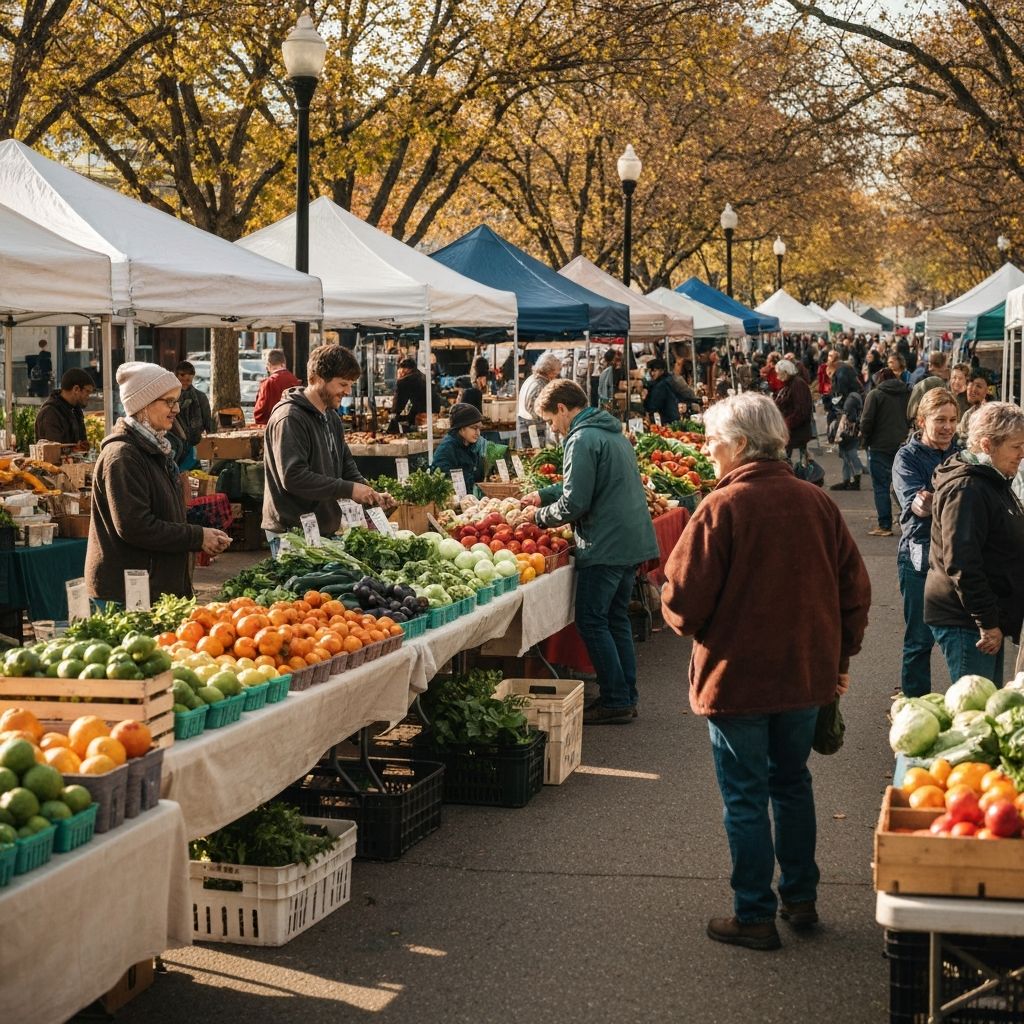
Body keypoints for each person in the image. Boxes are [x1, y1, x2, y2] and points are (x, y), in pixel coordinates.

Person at [661, 393, 869, 950]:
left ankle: (754, 914)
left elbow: (683, 606)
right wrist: (840, 659)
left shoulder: (721, 508)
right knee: (792, 783)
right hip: (804, 675)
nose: (707, 450)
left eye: (712, 440)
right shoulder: (816, 502)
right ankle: (800, 898)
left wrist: (669, 603)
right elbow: (856, 591)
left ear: (740, 445)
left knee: (747, 796)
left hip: (738, 681)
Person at [521, 380, 657, 723]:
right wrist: (543, 494)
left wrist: (538, 517)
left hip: (605, 543)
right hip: (631, 540)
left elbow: (576, 501)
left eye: (551, 419)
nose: (552, 427)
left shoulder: (580, 439)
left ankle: (615, 699)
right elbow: (584, 483)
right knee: (615, 618)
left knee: (592, 620)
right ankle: (625, 694)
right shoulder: (611, 433)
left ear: (563, 409)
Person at [86, 363, 230, 604]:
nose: (176, 409)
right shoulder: (123, 456)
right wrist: (196, 537)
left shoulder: (155, 448)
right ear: (144, 405)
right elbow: (135, 526)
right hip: (130, 594)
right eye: (169, 402)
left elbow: (163, 513)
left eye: (176, 402)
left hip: (154, 586)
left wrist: (202, 531)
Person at [925, 402, 1024, 685]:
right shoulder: (968, 488)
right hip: (967, 622)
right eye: (1016, 446)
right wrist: (986, 621)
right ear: (987, 444)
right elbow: (962, 562)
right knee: (973, 712)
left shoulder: (991, 479)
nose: (1022, 454)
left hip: (982, 618)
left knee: (986, 703)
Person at [263, 344, 392, 541]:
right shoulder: (290, 418)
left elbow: (346, 465)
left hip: (323, 529)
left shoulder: (331, 417)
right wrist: (349, 489)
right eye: (342, 384)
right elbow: (293, 476)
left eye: (350, 384)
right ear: (316, 379)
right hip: (292, 532)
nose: (348, 391)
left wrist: (370, 494)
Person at [891, 389, 960, 697]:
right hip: (918, 558)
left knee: (961, 637)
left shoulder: (961, 452)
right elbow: (917, 506)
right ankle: (914, 705)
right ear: (922, 420)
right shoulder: (907, 457)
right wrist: (958, 499)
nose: (947, 427)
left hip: (958, 557)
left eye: (953, 420)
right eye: (940, 420)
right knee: (919, 641)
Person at [861, 367, 910, 537]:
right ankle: (910, 522)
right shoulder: (907, 392)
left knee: (881, 486)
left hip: (879, 446)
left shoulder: (875, 395)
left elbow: (866, 421)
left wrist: (865, 440)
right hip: (903, 444)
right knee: (903, 485)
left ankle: (885, 525)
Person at [430, 403, 485, 489]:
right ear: (461, 428)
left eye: (479, 428)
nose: (478, 432)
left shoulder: (470, 445)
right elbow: (443, 481)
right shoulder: (446, 449)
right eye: (474, 428)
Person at [168, 360, 213, 466]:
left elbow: (207, 420)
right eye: (182, 376)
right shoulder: (169, 397)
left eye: (188, 378)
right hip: (173, 443)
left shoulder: (200, 397)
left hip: (194, 443)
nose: (185, 381)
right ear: (176, 376)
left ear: (193, 377)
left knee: (195, 474)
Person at [34, 368, 94, 446]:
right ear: (76, 389)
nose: (88, 396)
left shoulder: (75, 411)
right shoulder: (50, 413)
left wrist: (82, 447)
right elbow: (54, 451)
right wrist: (76, 449)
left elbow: (81, 445)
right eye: (87, 392)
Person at [828, 373, 865, 491]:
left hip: (849, 432)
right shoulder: (853, 394)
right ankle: (848, 480)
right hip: (852, 431)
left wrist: (838, 434)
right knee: (847, 455)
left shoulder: (851, 397)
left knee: (850, 454)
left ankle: (854, 479)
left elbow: (847, 415)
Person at [773, 359, 813, 462]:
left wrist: (786, 424)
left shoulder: (797, 384)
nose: (778, 377)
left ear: (786, 373)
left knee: (787, 457)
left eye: (779, 374)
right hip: (793, 429)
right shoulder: (791, 384)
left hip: (796, 430)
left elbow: (801, 410)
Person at [517, 352, 561, 441]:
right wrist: (550, 418)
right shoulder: (540, 384)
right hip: (533, 429)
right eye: (555, 373)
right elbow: (533, 409)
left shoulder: (532, 379)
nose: (556, 376)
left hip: (527, 426)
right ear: (549, 371)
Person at [253, 349, 301, 426]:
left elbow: (260, 412)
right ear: (284, 364)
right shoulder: (295, 381)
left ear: (268, 366)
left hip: (272, 427)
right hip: (293, 426)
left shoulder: (267, 383)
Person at [389, 357, 432, 431]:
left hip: (419, 414)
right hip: (430, 410)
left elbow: (399, 401)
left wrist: (394, 414)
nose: (400, 371)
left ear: (406, 369)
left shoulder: (404, 381)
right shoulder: (423, 376)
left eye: (401, 368)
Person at [643, 358, 681, 426]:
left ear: (662, 371)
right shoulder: (668, 380)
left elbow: (653, 406)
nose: (652, 373)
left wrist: (645, 400)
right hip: (673, 420)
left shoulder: (661, 385)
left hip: (667, 422)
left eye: (654, 371)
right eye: (650, 371)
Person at [957, 370, 991, 443]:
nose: (973, 389)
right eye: (970, 384)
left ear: (987, 391)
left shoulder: (991, 415)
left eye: (978, 386)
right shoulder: (968, 413)